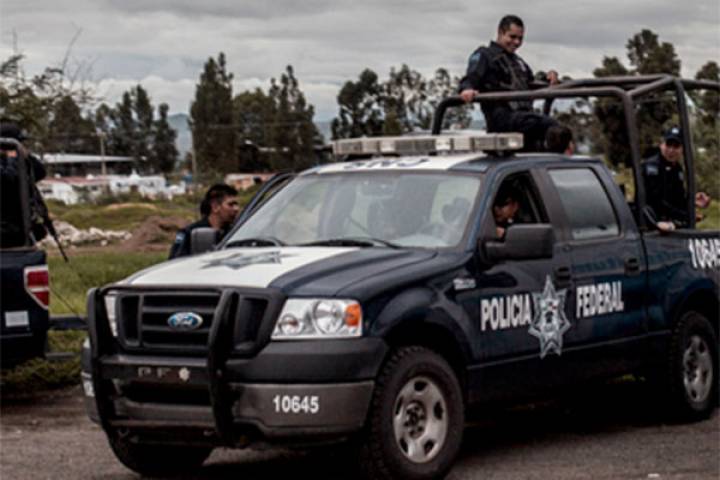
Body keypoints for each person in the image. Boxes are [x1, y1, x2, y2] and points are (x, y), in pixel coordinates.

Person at [459, 15, 560, 150]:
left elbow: (530, 82)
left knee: (545, 140)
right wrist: (466, 89)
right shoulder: (485, 55)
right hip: (503, 118)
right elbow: (471, 78)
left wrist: (548, 78)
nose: (516, 42)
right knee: (552, 127)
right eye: (512, 37)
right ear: (500, 32)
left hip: (524, 117)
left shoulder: (518, 62)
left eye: (520, 38)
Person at [642, 126, 711, 230]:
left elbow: (677, 198)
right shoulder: (652, 166)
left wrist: (693, 201)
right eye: (669, 145)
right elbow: (655, 201)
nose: (671, 150)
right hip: (652, 223)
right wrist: (685, 216)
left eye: (676, 146)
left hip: (670, 223)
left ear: (682, 149)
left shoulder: (676, 168)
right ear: (662, 145)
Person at [0, 121, 49, 247]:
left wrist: (25, 157)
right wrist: (12, 157)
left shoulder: (21, 162)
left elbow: (40, 172)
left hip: (20, 226)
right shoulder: (11, 164)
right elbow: (9, 179)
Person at [168, 183, 240, 259]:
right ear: (215, 207)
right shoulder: (190, 233)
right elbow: (176, 261)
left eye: (236, 205)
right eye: (231, 205)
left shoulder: (234, 233)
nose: (236, 209)